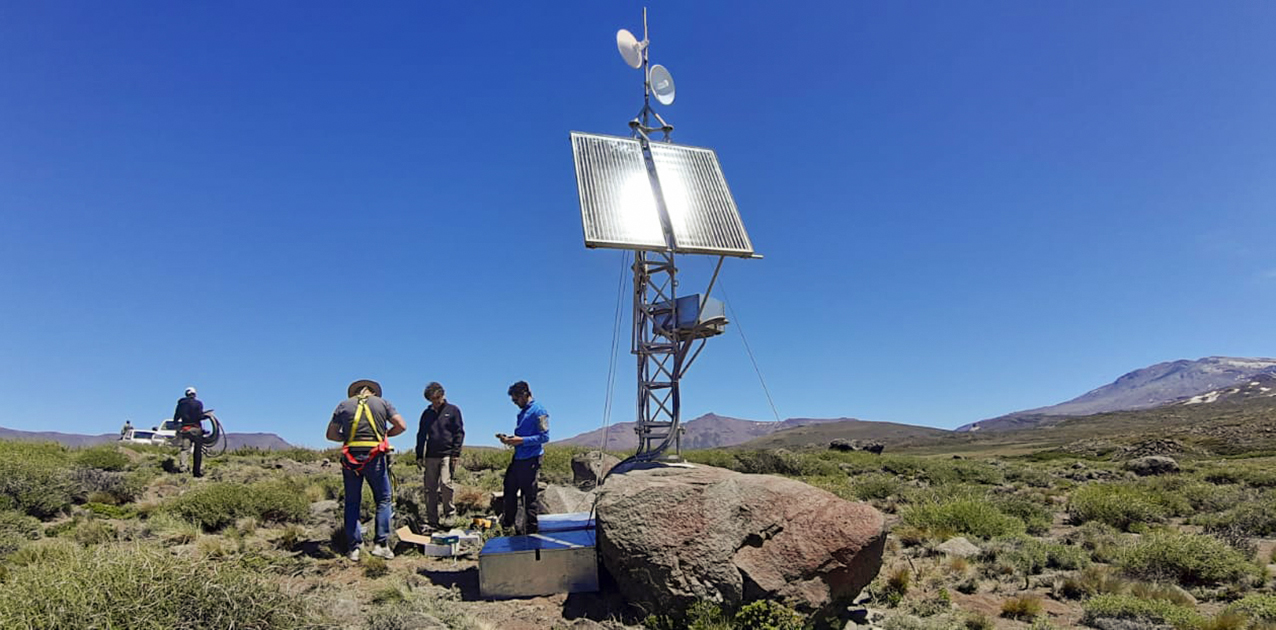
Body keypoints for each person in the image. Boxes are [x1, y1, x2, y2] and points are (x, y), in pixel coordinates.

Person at [326, 379, 406, 561]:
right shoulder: (383, 403)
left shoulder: (343, 405)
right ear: (373, 392)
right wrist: (385, 434)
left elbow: (330, 435)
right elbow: (401, 425)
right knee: (384, 499)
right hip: (375, 457)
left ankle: (354, 548)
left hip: (350, 460)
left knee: (352, 502)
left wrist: (347, 437)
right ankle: (381, 545)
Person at [498, 380, 549, 535]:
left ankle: (532, 531)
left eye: (516, 399)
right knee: (509, 488)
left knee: (528, 496)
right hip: (518, 458)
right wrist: (510, 440)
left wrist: (521, 441)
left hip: (531, 459)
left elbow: (544, 437)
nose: (515, 403)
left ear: (525, 394)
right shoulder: (522, 413)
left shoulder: (539, 411)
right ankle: (508, 524)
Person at [414, 381, 464, 531]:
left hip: (447, 454)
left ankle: (450, 514)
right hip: (430, 455)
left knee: (445, 483)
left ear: (442, 395)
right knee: (430, 488)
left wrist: (456, 453)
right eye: (432, 399)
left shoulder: (453, 410)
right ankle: (432, 519)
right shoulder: (427, 414)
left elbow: (459, 432)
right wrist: (419, 454)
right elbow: (421, 434)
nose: (435, 402)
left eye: (437, 398)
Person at [172, 387, 206, 477]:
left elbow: (176, 417)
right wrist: (205, 416)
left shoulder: (181, 404)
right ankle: (196, 472)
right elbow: (200, 416)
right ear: (194, 394)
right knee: (197, 451)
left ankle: (183, 469)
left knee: (185, 450)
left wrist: (176, 424)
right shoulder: (198, 404)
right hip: (197, 429)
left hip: (186, 429)